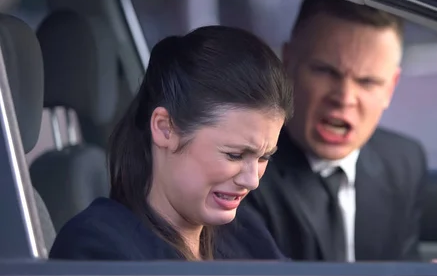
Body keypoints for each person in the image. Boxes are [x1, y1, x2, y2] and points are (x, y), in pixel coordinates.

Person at [49, 25, 294, 261]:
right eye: (235, 155)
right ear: (165, 128)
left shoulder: (244, 231)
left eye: (264, 158)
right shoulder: (96, 247)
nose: (252, 181)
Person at [244, 0, 428, 262]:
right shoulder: (245, 175)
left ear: (391, 88)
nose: (344, 98)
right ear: (287, 64)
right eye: (326, 71)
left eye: (367, 82)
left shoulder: (404, 162)